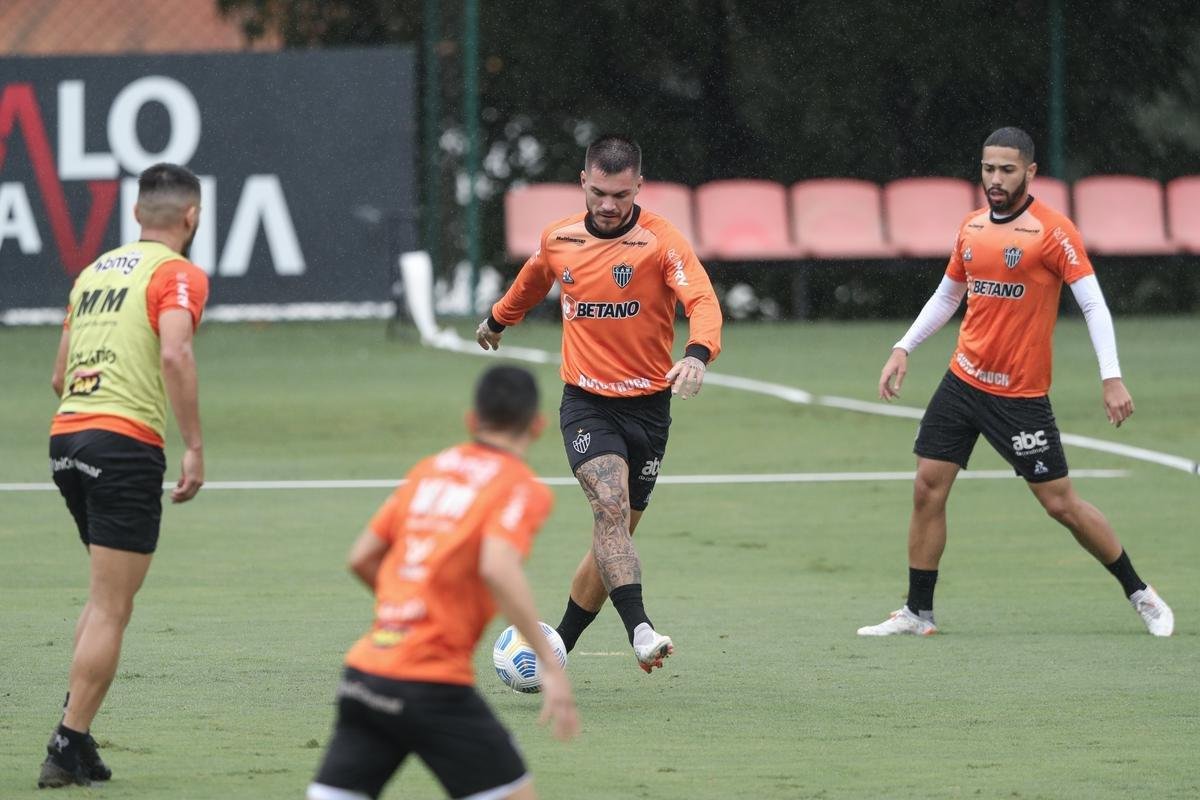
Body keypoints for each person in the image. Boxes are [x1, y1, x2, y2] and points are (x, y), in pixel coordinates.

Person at [857, 126, 1174, 638]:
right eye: (988, 169)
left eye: (1007, 169)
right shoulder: (972, 227)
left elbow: (1092, 303)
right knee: (927, 488)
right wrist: (903, 347)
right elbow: (947, 296)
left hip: (1020, 396)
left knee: (1061, 505)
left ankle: (1140, 591)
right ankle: (918, 613)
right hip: (962, 382)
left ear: (1030, 171)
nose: (995, 179)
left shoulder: (1054, 231)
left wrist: (1111, 377)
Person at [475, 134, 723, 672]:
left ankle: (559, 642)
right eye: (599, 193)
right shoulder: (559, 237)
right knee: (609, 511)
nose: (608, 206)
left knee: (615, 538)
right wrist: (498, 319)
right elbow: (533, 278)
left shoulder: (661, 241)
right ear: (583, 182)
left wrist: (698, 353)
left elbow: (700, 298)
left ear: (639, 187)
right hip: (586, 403)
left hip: (651, 409)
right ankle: (641, 630)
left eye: (621, 195)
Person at [306, 365, 579, 800]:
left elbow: (361, 558)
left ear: (472, 421)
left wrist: (408, 608)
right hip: (432, 685)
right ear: (538, 425)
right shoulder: (519, 486)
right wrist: (549, 663)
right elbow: (497, 566)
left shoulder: (427, 472)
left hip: (366, 675)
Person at [40, 163, 209, 788]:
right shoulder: (178, 274)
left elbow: (59, 376)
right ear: (191, 216)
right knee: (113, 606)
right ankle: (65, 744)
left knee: (103, 596)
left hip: (66, 440)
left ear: (136, 214)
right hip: (123, 444)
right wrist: (192, 446)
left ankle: (77, 738)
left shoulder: (91, 274)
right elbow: (174, 351)